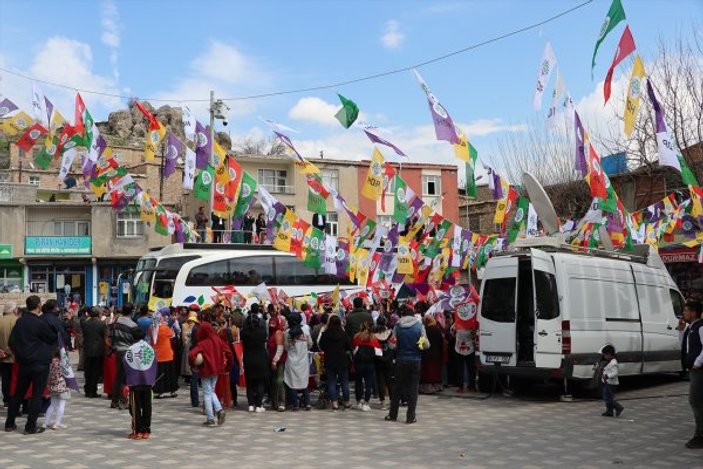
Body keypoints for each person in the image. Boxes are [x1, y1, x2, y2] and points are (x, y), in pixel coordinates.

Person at [5, 295, 57, 434]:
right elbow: (52, 338)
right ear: (39, 305)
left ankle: (10, 423)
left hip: (23, 363)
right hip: (39, 362)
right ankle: (30, 426)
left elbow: (11, 342)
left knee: (18, 393)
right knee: (36, 394)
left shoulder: (20, 322)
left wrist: (20, 353)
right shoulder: (40, 323)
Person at [386, 304, 429, 425]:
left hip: (401, 360)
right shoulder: (419, 326)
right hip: (415, 360)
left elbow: (392, 345)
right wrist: (418, 346)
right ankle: (410, 417)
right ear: (413, 314)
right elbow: (425, 345)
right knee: (413, 388)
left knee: (397, 388)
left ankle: (392, 414)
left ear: (403, 315)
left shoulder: (397, 326)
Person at [189, 322, 230, 427]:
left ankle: (211, 418)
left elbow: (191, 354)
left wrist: (193, 366)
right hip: (217, 370)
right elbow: (229, 352)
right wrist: (228, 366)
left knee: (207, 393)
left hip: (206, 370)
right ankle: (218, 411)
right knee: (211, 391)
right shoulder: (218, 340)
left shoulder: (202, 343)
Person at [124, 328, 157, 440]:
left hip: (135, 382)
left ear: (133, 337)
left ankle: (137, 431)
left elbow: (127, 366)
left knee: (135, 407)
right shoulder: (150, 348)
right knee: (147, 406)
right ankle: (146, 430)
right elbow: (154, 364)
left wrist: (126, 382)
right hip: (147, 381)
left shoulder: (130, 349)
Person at [319, 315, 352, 410]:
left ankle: (334, 403)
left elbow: (321, 346)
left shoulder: (325, 334)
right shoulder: (343, 334)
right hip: (342, 360)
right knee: (344, 382)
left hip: (329, 360)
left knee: (331, 382)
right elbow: (348, 346)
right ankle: (346, 402)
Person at [108, 303, 137, 410]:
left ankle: (114, 401)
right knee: (126, 378)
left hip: (117, 351)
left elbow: (110, 337)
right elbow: (134, 340)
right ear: (132, 312)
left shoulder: (114, 322)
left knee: (118, 377)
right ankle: (123, 401)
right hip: (128, 352)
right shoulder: (133, 325)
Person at [683, 301, 703, 449]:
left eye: (686, 311)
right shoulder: (691, 328)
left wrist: (697, 362)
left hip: (699, 371)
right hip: (694, 370)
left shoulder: (701, 327)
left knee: (695, 401)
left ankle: (700, 435)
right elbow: (687, 348)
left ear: (694, 312)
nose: (684, 314)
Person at [284, 312, 313, 411]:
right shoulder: (306, 329)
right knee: (304, 381)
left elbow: (286, 347)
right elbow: (310, 344)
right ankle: (307, 404)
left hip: (292, 360)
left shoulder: (287, 332)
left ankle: (295, 405)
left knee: (292, 382)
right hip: (303, 360)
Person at [240, 312, 268, 412]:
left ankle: (251, 404)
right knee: (260, 382)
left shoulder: (244, 332)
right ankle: (259, 405)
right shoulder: (262, 331)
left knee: (250, 382)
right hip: (260, 359)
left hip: (248, 359)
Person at [353, 322, 381, 411]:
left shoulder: (356, 337)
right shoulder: (373, 338)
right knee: (368, 383)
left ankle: (358, 402)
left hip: (359, 363)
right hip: (370, 363)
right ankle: (366, 403)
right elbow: (379, 352)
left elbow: (353, 350)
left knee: (358, 383)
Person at [81, 307, 106, 398]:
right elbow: (104, 335)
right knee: (96, 371)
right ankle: (93, 390)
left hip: (87, 349)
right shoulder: (101, 324)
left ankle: (87, 389)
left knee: (88, 371)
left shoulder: (85, 323)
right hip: (98, 350)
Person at [152, 312, 177, 399]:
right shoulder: (164, 328)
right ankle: (172, 391)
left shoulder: (153, 329)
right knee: (170, 374)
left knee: (159, 374)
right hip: (167, 354)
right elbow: (172, 334)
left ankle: (160, 392)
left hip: (158, 355)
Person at [42, 351, 70, 430]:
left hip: (52, 385)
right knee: (62, 405)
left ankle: (46, 422)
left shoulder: (51, 361)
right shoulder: (63, 363)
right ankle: (57, 423)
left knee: (52, 405)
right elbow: (68, 374)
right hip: (61, 385)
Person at [420, 315, 445, 394]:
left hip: (427, 353)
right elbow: (441, 342)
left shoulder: (425, 330)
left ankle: (427, 388)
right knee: (436, 370)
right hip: (436, 352)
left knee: (428, 371)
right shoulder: (437, 329)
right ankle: (437, 386)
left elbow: (421, 342)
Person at [374, 315, 394, 410]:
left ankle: (382, 402)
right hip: (388, 358)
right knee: (389, 379)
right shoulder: (390, 332)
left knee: (380, 380)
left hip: (378, 358)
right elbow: (393, 346)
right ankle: (392, 400)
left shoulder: (373, 334)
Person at [0, 302, 18, 407]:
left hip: (2, 357)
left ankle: (6, 399)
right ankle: (13, 400)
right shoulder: (17, 321)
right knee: (14, 379)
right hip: (15, 356)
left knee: (5, 379)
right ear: (14, 310)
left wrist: (2, 351)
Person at [598, 344, 624, 418]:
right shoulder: (609, 361)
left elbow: (615, 373)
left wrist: (607, 376)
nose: (604, 357)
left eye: (605, 355)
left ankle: (618, 407)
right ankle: (609, 411)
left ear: (609, 354)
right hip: (607, 382)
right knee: (607, 397)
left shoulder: (614, 363)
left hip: (612, 384)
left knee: (607, 397)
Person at [268, 315, 287, 412]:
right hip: (272, 360)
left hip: (279, 361)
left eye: (274, 323)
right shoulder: (271, 333)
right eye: (270, 323)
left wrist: (275, 361)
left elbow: (280, 348)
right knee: (273, 381)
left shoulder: (278, 333)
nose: (271, 325)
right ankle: (275, 403)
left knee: (279, 380)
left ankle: (282, 403)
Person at [454, 325, 476, 393]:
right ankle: (472, 387)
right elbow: (475, 336)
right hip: (470, 350)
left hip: (459, 349)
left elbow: (452, 332)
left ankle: (461, 387)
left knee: (460, 369)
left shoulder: (456, 325)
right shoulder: (472, 326)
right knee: (471, 369)